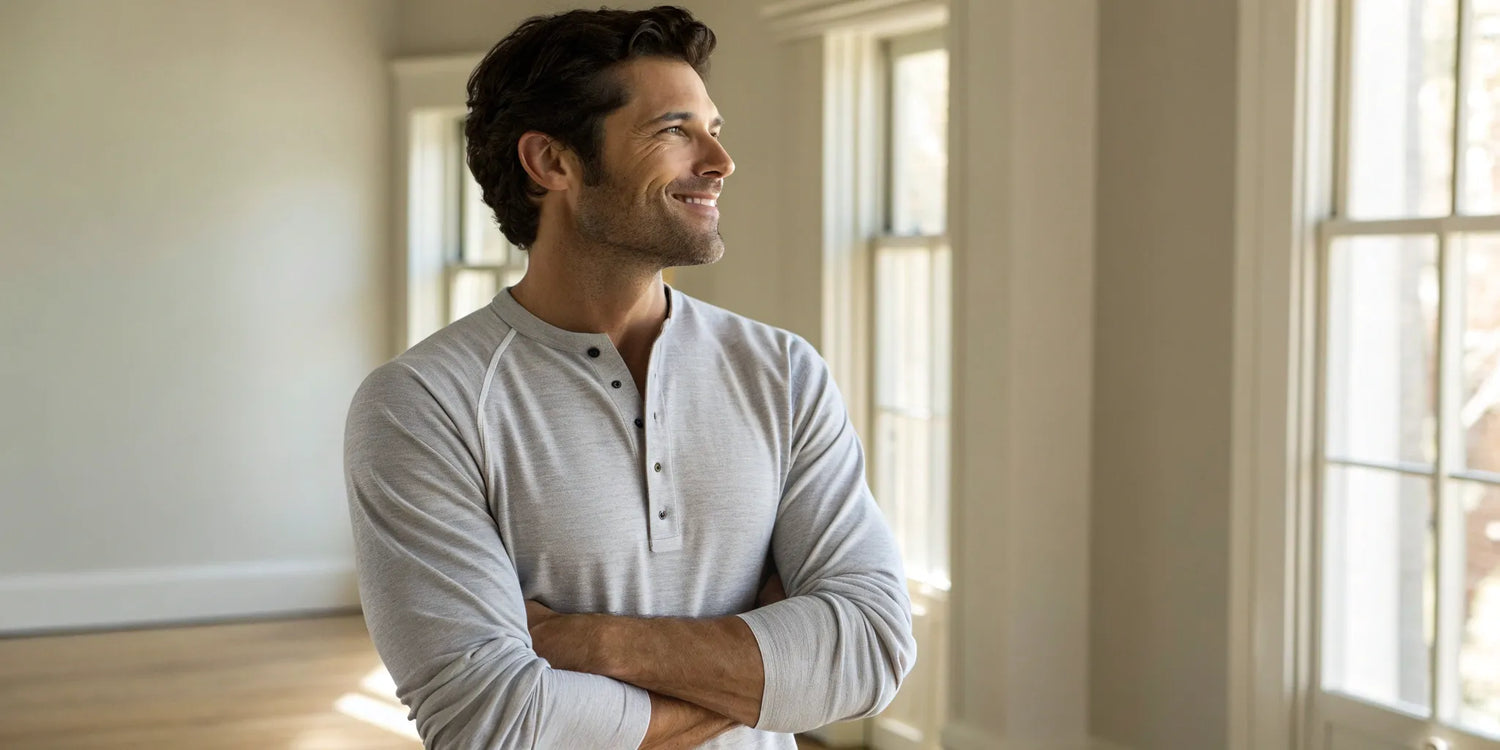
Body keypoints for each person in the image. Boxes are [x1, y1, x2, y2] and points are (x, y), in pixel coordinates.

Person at [343, 6, 915, 748]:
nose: (719, 160)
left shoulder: (783, 372)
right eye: (675, 130)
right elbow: (491, 724)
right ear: (551, 163)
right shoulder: (421, 405)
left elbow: (870, 648)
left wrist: (594, 644)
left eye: (714, 128)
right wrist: (769, 675)